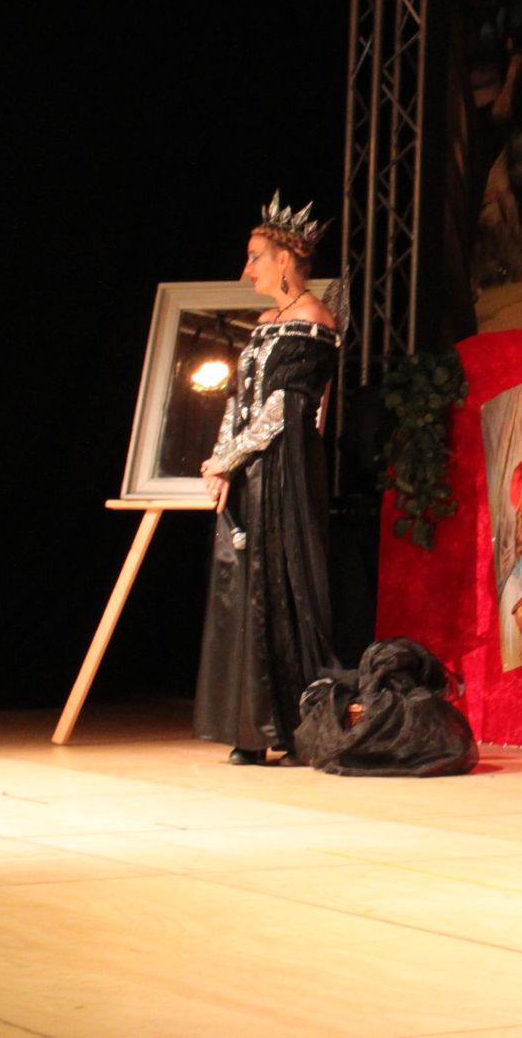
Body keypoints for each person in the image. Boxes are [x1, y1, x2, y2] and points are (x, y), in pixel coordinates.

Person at [196, 194, 341, 766]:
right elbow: (239, 401)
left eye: (255, 257)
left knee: (279, 582)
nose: (247, 269)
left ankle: (287, 723)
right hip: (251, 467)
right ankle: (250, 727)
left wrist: (230, 458)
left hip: (284, 469)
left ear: (284, 260)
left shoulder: (314, 321)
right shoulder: (263, 325)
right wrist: (220, 462)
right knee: (244, 585)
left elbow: (285, 407)